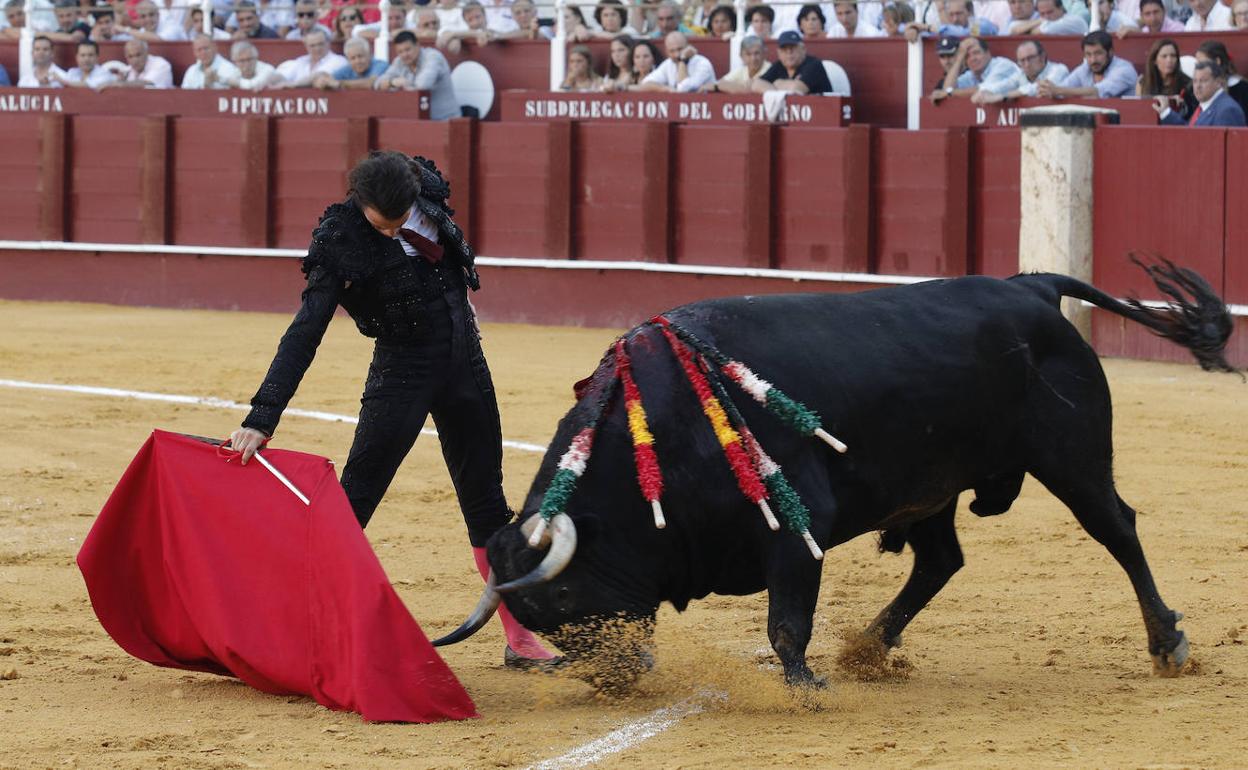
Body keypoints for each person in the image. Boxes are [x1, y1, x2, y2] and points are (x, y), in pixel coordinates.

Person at [228, 151, 561, 671]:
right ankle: (288, 628)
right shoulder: (341, 238)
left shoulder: (423, 194)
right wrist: (261, 415)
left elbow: (446, 265)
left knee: (489, 507)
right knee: (354, 501)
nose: (393, 230)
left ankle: (520, 641)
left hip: (463, 361)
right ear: (361, 203)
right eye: (383, 223)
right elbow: (306, 331)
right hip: (401, 372)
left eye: (401, 219)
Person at [375, 30, 460, 120]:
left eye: (408, 49)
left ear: (418, 45)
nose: (404, 55)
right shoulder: (399, 61)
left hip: (447, 121)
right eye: (400, 52)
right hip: (421, 122)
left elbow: (422, 86)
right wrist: (392, 83)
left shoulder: (433, 57)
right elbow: (377, 84)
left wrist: (403, 83)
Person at [1038, 29, 1135, 98]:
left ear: (1110, 52)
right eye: (1088, 54)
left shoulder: (1124, 69)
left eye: (1098, 53)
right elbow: (1065, 87)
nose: (1093, 60)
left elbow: (1097, 92)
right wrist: (1048, 90)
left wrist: (1057, 91)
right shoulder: (1086, 68)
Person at [973, 38, 1068, 101]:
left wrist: (1004, 96)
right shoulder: (1020, 75)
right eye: (1022, 61)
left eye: (1030, 58)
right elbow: (1003, 85)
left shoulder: (1059, 70)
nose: (1026, 64)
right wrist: (983, 91)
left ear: (1042, 57)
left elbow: (1039, 87)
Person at [931, 36, 1021, 101]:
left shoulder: (1002, 65)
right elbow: (947, 88)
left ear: (987, 53)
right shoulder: (971, 75)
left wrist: (950, 93)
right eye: (967, 56)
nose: (973, 58)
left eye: (976, 53)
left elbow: (985, 89)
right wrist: (959, 59)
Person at [1155, 60, 1245, 125]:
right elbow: (1192, 133)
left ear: (1218, 82)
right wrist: (1166, 112)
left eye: (1203, 81)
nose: (1197, 86)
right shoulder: (1206, 105)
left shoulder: (1227, 110)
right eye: (1195, 81)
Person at [753, 29, 834, 94]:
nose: (789, 52)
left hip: (822, 110)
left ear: (803, 49)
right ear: (779, 53)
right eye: (784, 49)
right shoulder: (779, 65)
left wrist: (777, 83)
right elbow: (756, 84)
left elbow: (797, 89)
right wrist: (776, 92)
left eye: (793, 48)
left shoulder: (814, 65)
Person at [638, 30, 715, 92]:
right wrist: (664, 89)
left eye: (680, 49)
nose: (677, 54)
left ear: (688, 46)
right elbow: (645, 83)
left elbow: (683, 89)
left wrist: (683, 60)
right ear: (667, 52)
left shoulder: (702, 63)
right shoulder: (668, 64)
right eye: (672, 51)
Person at [1137, 37, 1193, 118]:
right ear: (1155, 61)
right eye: (1164, 56)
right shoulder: (1143, 82)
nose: (1169, 60)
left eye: (1173, 56)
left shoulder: (1188, 84)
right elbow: (1139, 110)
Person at [274, 28, 349, 87]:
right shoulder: (300, 61)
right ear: (306, 46)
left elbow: (320, 76)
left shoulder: (338, 61)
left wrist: (294, 85)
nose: (317, 48)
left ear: (328, 43)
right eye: (312, 45)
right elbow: (281, 77)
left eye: (320, 44)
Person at [1195, 40, 1248, 116]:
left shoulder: (1242, 88)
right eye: (1197, 63)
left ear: (1217, 61)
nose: (1197, 67)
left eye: (1202, 63)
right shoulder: (1196, 87)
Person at [313, 36, 387, 90]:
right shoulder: (347, 69)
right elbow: (328, 79)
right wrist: (322, 82)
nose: (357, 61)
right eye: (353, 58)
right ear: (348, 60)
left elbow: (371, 82)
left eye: (360, 56)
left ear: (370, 55)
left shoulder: (380, 65)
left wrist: (339, 84)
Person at [100, 38, 173, 88]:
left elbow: (147, 84)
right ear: (126, 58)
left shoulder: (161, 64)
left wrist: (120, 84)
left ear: (146, 53)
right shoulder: (127, 71)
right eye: (130, 56)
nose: (135, 60)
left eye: (138, 55)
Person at [1011, 0, 1088, 34]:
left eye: (1050, 12)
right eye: (1042, 14)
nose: (1046, 17)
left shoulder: (1073, 21)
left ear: (1061, 8)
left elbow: (1037, 32)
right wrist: (1039, 21)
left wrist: (1040, 21)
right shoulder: (1043, 21)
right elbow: (1014, 29)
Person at [1117, 0, 1182, 34]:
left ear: (1164, 11)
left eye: (1156, 12)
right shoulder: (1144, 31)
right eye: (1147, 14)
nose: (1153, 18)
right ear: (1141, 16)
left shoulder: (1178, 29)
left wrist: (1140, 34)